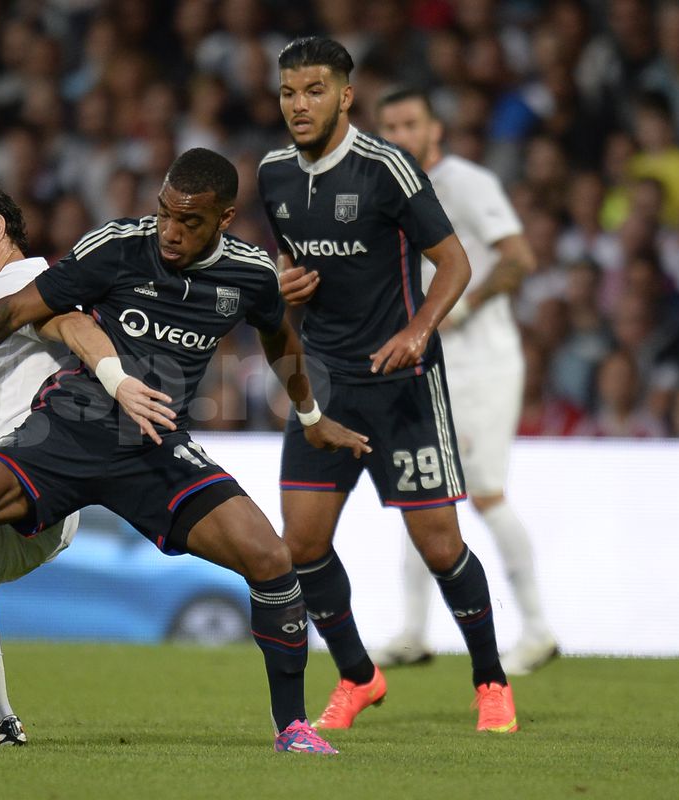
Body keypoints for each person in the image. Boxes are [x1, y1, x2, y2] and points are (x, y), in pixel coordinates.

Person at [0, 147, 371, 754]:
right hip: (67, 433)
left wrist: (311, 416)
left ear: (225, 219)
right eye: (165, 213)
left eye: (189, 221)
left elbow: (277, 336)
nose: (170, 231)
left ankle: (292, 727)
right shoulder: (118, 245)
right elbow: (21, 310)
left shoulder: (250, 273)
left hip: (153, 445)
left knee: (270, 557)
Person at [256, 37, 518, 733]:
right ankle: (357, 676)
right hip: (324, 386)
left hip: (402, 384)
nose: (299, 104)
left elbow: (455, 261)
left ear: (346, 96)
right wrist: (285, 283)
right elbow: (289, 268)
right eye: (288, 92)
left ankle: (491, 681)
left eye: (314, 90)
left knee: (440, 547)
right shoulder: (274, 175)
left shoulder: (387, 168)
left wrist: (421, 329)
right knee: (300, 546)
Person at [373, 86, 559, 675]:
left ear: (436, 130)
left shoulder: (468, 183)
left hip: (482, 362)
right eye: (390, 127)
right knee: (420, 486)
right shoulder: (385, 192)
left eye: (411, 124)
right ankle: (411, 632)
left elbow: (520, 258)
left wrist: (463, 306)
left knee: (483, 492)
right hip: (425, 362)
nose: (401, 136)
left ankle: (537, 630)